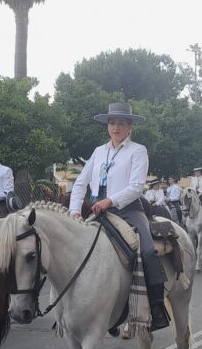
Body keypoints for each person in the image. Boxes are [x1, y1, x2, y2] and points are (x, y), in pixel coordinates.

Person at [68, 102, 168, 331]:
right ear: (107, 126)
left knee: (148, 251)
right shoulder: (98, 152)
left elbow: (135, 186)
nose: (115, 127)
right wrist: (74, 211)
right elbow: (80, 183)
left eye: (121, 123)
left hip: (128, 210)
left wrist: (110, 201)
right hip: (97, 210)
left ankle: (156, 308)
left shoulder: (138, 150)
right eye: (112, 123)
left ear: (130, 127)